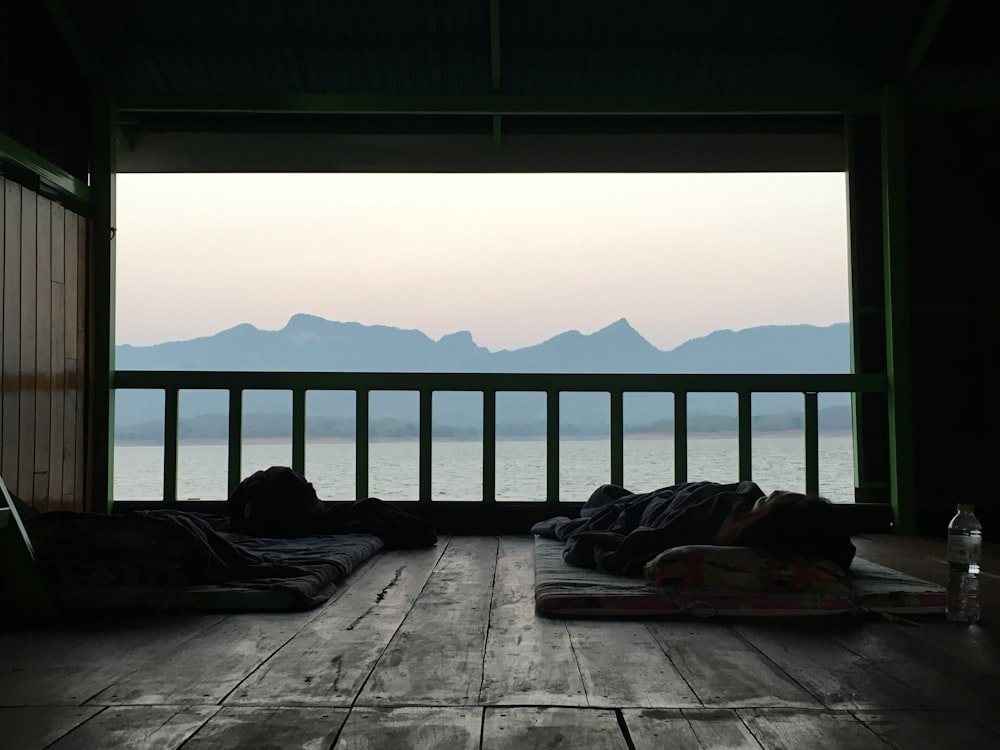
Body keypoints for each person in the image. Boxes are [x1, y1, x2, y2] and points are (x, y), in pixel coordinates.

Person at [531, 481, 855, 576]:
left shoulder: (722, 515)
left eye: (769, 499)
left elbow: (635, 545)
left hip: (661, 510)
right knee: (608, 498)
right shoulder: (813, 534)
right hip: (674, 502)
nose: (768, 493)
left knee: (605, 501)